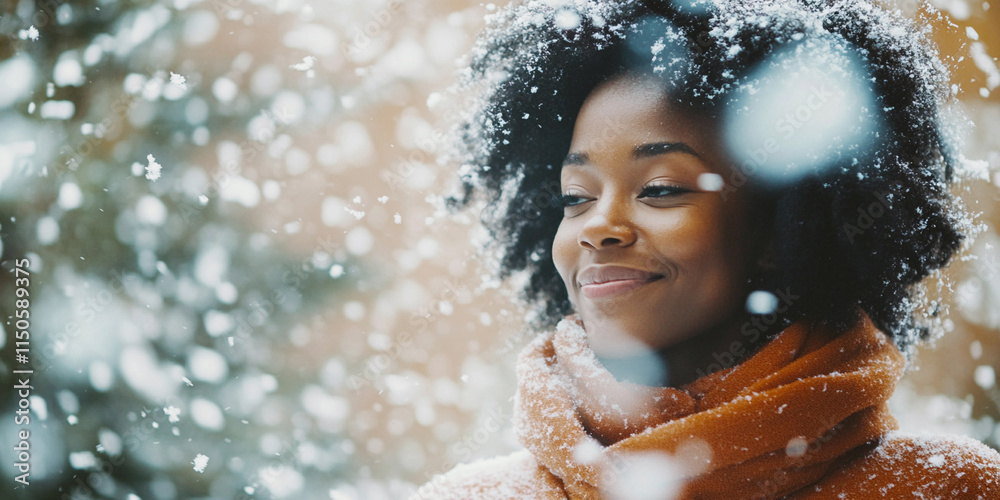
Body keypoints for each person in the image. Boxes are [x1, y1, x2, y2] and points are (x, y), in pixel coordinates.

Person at [415, 0, 1000, 498]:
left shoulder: (950, 487)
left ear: (781, 228)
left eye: (662, 189)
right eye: (575, 197)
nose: (599, 226)